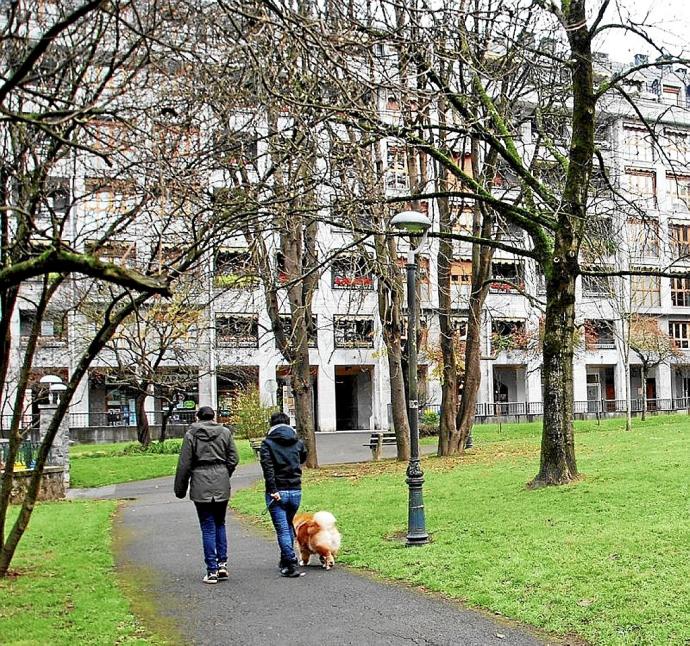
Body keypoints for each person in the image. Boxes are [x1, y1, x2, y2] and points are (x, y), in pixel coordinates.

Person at [174, 406, 239, 584]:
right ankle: (222, 563)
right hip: (221, 480)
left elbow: (184, 464)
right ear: (213, 416)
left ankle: (211, 570)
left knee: (207, 526)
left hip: (200, 481)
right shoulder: (225, 432)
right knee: (220, 523)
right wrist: (225, 473)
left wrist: (180, 488)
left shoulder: (191, 435)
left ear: (197, 417)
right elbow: (234, 458)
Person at [259, 411, 308, 578]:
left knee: (282, 529)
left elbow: (268, 469)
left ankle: (291, 563)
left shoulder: (267, 444)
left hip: (277, 491)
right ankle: (285, 560)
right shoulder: (298, 442)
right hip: (295, 490)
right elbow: (303, 458)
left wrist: (273, 490)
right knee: (288, 525)